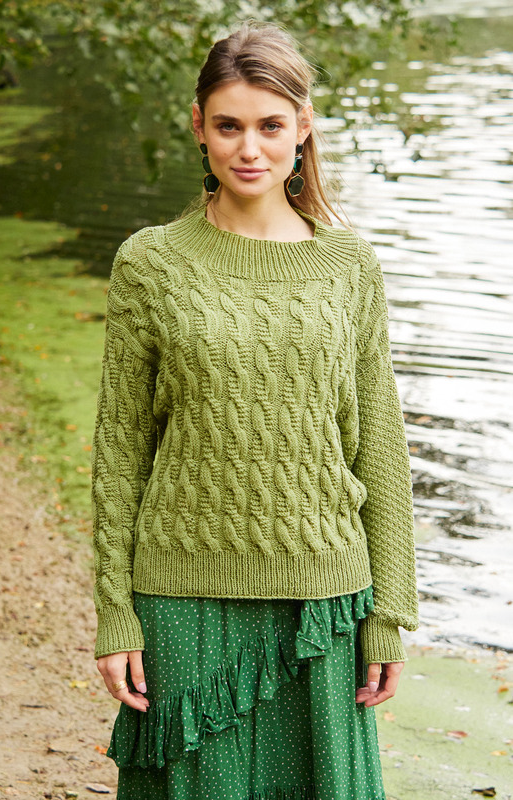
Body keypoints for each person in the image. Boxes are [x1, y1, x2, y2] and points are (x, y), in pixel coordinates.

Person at [91, 19, 419, 800]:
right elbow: (120, 452)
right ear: (198, 126)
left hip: (324, 597)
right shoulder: (150, 263)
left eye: (270, 126)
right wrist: (114, 613)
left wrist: (390, 612)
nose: (249, 149)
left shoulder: (349, 266)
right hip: (182, 593)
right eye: (229, 126)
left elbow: (379, 443)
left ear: (302, 127)